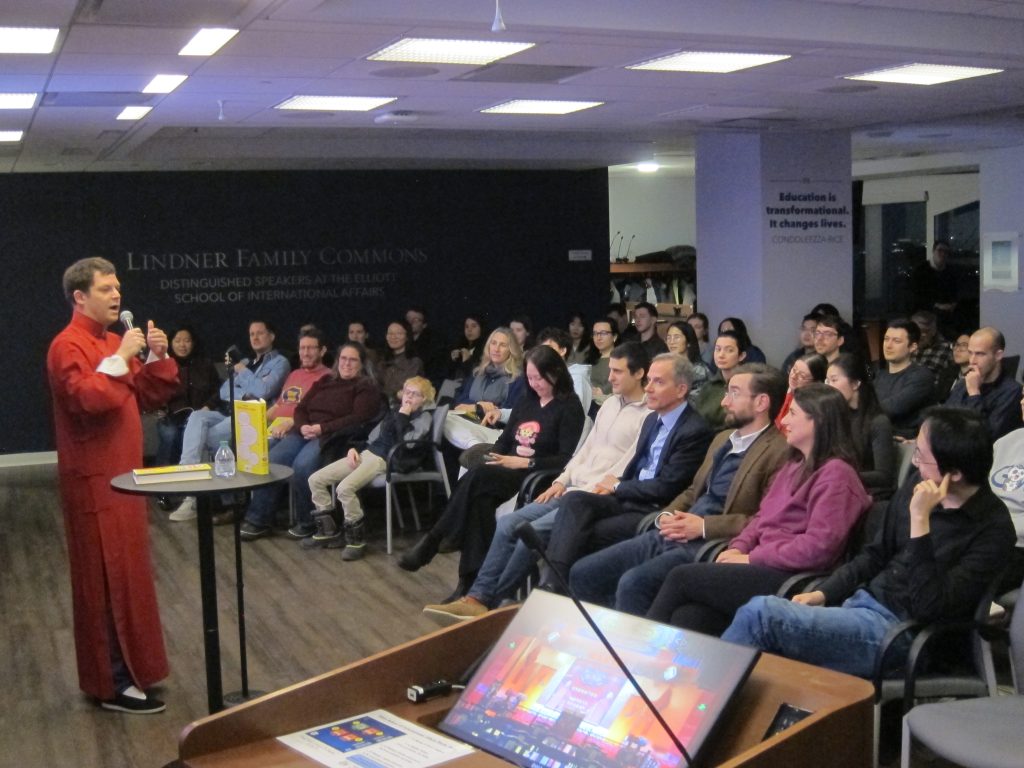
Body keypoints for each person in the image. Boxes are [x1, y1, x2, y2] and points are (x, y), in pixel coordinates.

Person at [723, 407, 1015, 679]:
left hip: (904, 634)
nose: (915, 463)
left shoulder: (992, 530)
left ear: (955, 474)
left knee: (761, 616)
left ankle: (704, 703)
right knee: (766, 654)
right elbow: (875, 555)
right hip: (861, 606)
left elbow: (931, 608)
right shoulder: (918, 484)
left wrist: (920, 522)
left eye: (921, 457)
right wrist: (824, 592)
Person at [421, 343, 652, 623]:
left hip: (590, 496)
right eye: (611, 369)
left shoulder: (647, 415)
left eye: (617, 371)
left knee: (522, 529)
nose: (610, 376)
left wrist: (579, 486)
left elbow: (626, 463)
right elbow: (585, 451)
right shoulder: (611, 405)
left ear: (639, 373)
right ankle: (478, 597)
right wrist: (562, 480)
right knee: (506, 521)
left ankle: (485, 600)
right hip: (568, 486)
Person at [47, 256, 179, 714]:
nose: (117, 295)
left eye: (117, 287)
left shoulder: (110, 341)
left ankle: (136, 671)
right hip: (94, 485)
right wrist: (122, 358)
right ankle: (114, 683)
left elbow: (150, 393)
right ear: (80, 297)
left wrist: (156, 356)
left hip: (123, 482)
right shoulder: (67, 346)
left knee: (130, 577)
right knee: (104, 581)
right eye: (106, 289)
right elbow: (87, 399)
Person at [646, 384, 870, 636]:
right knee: (690, 616)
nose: (784, 421)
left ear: (817, 420)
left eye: (793, 413)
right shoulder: (794, 464)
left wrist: (752, 558)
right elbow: (761, 518)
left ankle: (641, 651)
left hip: (792, 575)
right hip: (763, 562)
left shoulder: (838, 475)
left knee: (680, 578)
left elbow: (818, 548)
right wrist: (738, 548)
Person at [569, 364, 790, 616]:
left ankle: (628, 639)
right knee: (583, 572)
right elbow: (693, 490)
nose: (724, 402)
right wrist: (667, 515)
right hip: (675, 529)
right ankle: (602, 631)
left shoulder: (780, 452)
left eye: (734, 393)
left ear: (761, 402)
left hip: (710, 542)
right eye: (727, 393)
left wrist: (703, 526)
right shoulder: (722, 439)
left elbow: (763, 521)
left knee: (633, 583)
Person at [399, 346, 586, 593]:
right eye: (530, 378)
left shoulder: (569, 406)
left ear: (556, 373)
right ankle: (469, 583)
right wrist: (496, 456)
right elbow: (505, 440)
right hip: (505, 467)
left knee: (476, 480)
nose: (535, 384)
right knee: (480, 502)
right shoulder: (527, 401)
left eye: (540, 378)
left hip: (536, 474)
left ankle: (435, 540)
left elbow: (565, 459)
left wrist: (526, 463)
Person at [541, 353, 715, 586]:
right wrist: (615, 486)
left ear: (681, 389)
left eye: (658, 382)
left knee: (581, 531)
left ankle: (557, 585)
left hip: (652, 508)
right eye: (649, 380)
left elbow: (666, 487)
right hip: (629, 497)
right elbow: (636, 468)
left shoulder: (694, 430)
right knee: (575, 500)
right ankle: (553, 582)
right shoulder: (652, 420)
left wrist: (617, 486)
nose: (648, 388)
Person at [172, 328, 325, 522]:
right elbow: (224, 392)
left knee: (205, 440)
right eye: (252, 334)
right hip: (234, 412)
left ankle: (219, 501)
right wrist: (247, 390)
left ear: (272, 336)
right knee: (196, 417)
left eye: (260, 333)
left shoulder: (280, 363)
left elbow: (262, 391)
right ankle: (191, 483)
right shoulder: (260, 365)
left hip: (257, 416)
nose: (255, 337)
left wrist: (243, 377)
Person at [239, 341, 382, 540]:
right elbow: (301, 408)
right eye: (343, 358)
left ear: (361, 364)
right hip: (305, 431)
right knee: (272, 461)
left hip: (335, 437)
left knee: (302, 466)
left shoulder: (366, 387)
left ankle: (308, 523)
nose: (347, 364)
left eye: (353, 360)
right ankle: (258, 520)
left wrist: (322, 428)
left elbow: (358, 418)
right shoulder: (325, 381)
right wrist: (302, 425)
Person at [306, 376, 436, 560]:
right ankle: (329, 531)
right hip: (368, 453)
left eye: (415, 394)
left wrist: (404, 416)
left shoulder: (423, 417)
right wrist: (354, 449)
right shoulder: (394, 412)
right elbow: (372, 438)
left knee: (344, 488)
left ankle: (356, 539)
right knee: (315, 479)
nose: (409, 397)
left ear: (424, 399)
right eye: (407, 392)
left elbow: (409, 444)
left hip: (386, 459)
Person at [826, 353, 896, 499]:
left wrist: (840, 474)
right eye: (827, 381)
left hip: (867, 494)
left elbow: (884, 476)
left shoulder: (878, 422)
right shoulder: (838, 417)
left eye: (834, 380)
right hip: (840, 487)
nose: (828, 386)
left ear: (855, 384)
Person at [444, 327, 525, 450]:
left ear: (511, 350)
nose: (496, 349)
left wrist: (479, 409)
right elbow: (460, 399)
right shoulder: (477, 373)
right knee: (444, 419)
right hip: (466, 422)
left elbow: (510, 412)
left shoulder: (517, 379)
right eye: (493, 343)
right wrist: (478, 406)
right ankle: (472, 445)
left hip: (494, 430)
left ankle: (474, 447)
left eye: (502, 345)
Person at [154, 325, 221, 468]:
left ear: (193, 343)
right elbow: (155, 391)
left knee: (192, 434)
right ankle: (163, 474)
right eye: (177, 341)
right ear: (170, 342)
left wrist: (208, 406)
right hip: (171, 417)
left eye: (187, 341)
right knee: (170, 435)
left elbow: (219, 391)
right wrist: (160, 406)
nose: (182, 345)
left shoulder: (205, 364)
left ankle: (189, 473)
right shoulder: (165, 365)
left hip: (199, 416)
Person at [945, 326, 1023, 441]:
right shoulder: (963, 384)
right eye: (970, 353)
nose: (972, 360)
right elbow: (943, 420)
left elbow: (986, 436)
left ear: (998, 355)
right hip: (953, 446)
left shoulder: (1012, 391)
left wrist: (974, 394)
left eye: (980, 354)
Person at [874, 318, 935, 439]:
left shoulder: (921, 376)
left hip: (905, 441)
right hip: (879, 435)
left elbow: (892, 408)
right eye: (886, 339)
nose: (888, 345)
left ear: (912, 347)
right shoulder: (880, 375)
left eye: (896, 341)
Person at [990, 385, 1024, 591]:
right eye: (1023, 395)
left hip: (1016, 546)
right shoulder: (1007, 440)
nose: (1022, 402)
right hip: (982, 533)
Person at [692, 329, 747, 429]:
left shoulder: (748, 386)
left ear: (741, 356)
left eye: (729, 350)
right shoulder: (708, 386)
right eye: (718, 349)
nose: (721, 355)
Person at [536, 326, 592, 415]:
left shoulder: (577, 379)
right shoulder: (540, 377)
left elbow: (575, 414)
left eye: (549, 348)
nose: (544, 354)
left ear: (563, 350)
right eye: (541, 350)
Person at [775, 353, 827, 436]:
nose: (793, 376)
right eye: (794, 369)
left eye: (802, 376)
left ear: (816, 382)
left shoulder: (813, 408)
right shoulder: (783, 391)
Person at [376, 319, 424, 402]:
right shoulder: (382, 361)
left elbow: (404, 390)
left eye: (398, 333)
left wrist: (393, 395)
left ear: (407, 337)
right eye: (390, 333)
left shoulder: (414, 362)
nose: (393, 337)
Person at [664, 320, 709, 399]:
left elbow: (696, 400)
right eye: (669, 338)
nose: (671, 342)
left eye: (676, 337)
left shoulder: (698, 369)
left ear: (688, 342)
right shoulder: (666, 366)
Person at [405, 306, 447, 382]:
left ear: (424, 325)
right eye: (408, 319)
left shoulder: (431, 345)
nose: (410, 322)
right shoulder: (395, 341)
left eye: (416, 320)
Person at [911, 310, 953, 379]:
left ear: (933, 331)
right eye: (914, 330)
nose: (918, 335)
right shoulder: (904, 344)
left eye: (923, 331)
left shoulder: (946, 348)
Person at [588, 319, 619, 409]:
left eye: (603, 333)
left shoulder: (621, 359)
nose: (598, 337)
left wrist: (603, 390)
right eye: (595, 333)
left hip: (611, 405)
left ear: (614, 336)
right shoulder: (590, 359)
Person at [448, 313, 487, 380]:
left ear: (481, 328)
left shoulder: (486, 349)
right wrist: (452, 360)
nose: (469, 330)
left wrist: (467, 361)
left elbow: (477, 376)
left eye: (474, 326)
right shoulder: (460, 346)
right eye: (466, 326)